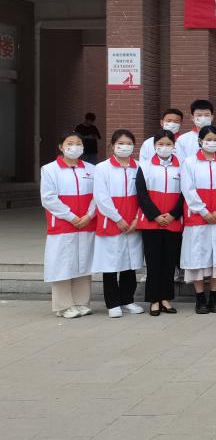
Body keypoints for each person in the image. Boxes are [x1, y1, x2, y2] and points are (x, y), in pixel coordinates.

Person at [40, 133, 96, 318]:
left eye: (78, 143)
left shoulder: (91, 169)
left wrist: (89, 215)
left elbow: (98, 195)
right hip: (63, 224)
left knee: (83, 262)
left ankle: (81, 302)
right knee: (62, 263)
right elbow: (48, 198)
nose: (75, 146)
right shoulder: (50, 169)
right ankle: (63, 306)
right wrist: (71, 217)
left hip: (86, 224)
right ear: (61, 147)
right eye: (70, 143)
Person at [180, 125, 216, 314]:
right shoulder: (189, 162)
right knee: (197, 256)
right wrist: (203, 211)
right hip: (197, 218)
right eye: (208, 140)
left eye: (215, 140)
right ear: (200, 141)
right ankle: (200, 298)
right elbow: (188, 189)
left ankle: (214, 297)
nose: (212, 143)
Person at [92, 129, 144, 317]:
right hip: (112, 223)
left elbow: (144, 196)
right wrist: (119, 219)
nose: (124, 147)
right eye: (120, 143)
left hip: (134, 224)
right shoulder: (102, 168)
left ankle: (128, 300)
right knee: (111, 265)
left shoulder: (139, 167)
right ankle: (112, 303)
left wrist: (137, 218)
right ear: (112, 145)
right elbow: (101, 197)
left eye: (129, 143)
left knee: (130, 264)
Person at [136, 130, 185, 316]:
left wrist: (173, 214)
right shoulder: (145, 166)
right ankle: (153, 300)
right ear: (154, 146)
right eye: (161, 144)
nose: (164, 147)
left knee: (169, 261)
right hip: (151, 222)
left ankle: (166, 298)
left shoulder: (182, 166)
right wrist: (156, 215)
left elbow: (185, 193)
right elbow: (142, 194)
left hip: (173, 221)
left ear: (174, 146)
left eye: (168, 144)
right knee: (153, 261)